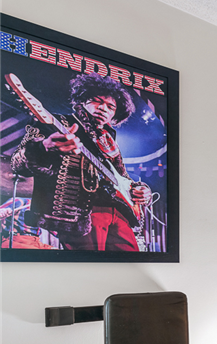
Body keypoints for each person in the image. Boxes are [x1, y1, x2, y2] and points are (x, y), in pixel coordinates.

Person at [10, 73, 149, 251]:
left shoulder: (109, 140)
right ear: (82, 101)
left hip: (118, 213)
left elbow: (122, 176)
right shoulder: (57, 122)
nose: (103, 108)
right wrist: (44, 147)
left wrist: (139, 190)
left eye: (110, 107)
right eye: (97, 101)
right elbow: (17, 163)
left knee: (129, 262)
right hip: (80, 215)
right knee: (90, 265)